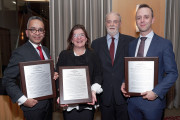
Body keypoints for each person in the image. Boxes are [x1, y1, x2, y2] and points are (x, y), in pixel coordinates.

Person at [121, 4, 178, 120]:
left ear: (152, 20)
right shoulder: (131, 45)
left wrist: (156, 92)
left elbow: (173, 73)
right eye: (139, 17)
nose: (142, 20)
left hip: (153, 104)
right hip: (132, 103)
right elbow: (129, 69)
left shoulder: (164, 44)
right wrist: (124, 82)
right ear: (136, 21)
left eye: (146, 17)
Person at [2, 16, 53, 120]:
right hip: (33, 107)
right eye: (33, 29)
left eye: (40, 30)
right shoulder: (20, 53)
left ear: (44, 32)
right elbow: (7, 80)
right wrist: (23, 100)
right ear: (26, 33)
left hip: (49, 104)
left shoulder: (46, 50)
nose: (37, 33)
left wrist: (53, 73)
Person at [91, 12, 135, 120]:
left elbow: (134, 67)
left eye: (115, 21)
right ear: (105, 23)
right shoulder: (96, 44)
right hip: (104, 94)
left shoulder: (131, 42)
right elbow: (93, 68)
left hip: (124, 93)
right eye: (109, 21)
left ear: (120, 24)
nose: (112, 24)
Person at [55, 24, 103, 120]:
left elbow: (98, 75)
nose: (79, 38)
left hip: (88, 103)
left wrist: (93, 91)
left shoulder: (93, 55)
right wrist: (61, 93)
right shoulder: (64, 55)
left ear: (86, 39)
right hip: (69, 104)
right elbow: (58, 76)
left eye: (81, 35)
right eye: (75, 35)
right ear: (71, 40)